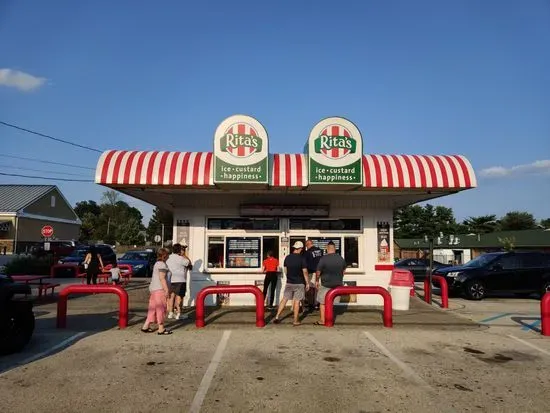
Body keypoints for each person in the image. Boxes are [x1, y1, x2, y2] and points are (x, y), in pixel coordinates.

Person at [273, 241, 309, 326]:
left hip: (289, 282)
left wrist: (289, 277)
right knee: (297, 301)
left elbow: (285, 270)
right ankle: (295, 320)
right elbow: (305, 272)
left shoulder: (287, 257)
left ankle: (277, 316)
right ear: (300, 249)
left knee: (284, 299)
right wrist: (307, 282)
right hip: (299, 283)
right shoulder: (302, 258)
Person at [141, 248, 173, 335]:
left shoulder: (157, 264)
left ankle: (146, 326)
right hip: (160, 289)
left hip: (154, 289)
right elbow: (162, 278)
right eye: (168, 254)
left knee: (153, 308)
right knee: (161, 308)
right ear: (164, 255)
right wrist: (166, 290)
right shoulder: (162, 265)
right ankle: (161, 328)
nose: (169, 256)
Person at [314, 241, 346, 326]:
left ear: (327, 249)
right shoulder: (340, 258)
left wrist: (317, 281)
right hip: (337, 285)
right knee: (331, 303)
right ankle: (330, 319)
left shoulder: (323, 259)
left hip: (326, 284)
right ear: (334, 249)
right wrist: (340, 279)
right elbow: (344, 271)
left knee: (322, 303)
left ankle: (323, 320)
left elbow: (318, 272)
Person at [166, 243, 191, 320]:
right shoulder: (181, 258)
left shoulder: (169, 257)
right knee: (179, 297)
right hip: (180, 280)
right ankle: (179, 314)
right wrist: (184, 254)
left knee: (171, 296)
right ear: (180, 250)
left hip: (170, 279)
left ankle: (170, 313)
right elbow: (188, 263)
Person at [304, 240, 323, 310]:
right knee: (317, 289)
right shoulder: (320, 251)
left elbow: (305, 263)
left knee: (310, 288)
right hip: (320, 272)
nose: (306, 247)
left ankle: (310, 303)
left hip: (311, 272)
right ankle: (317, 304)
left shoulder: (307, 252)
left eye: (306, 246)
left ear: (308, 244)